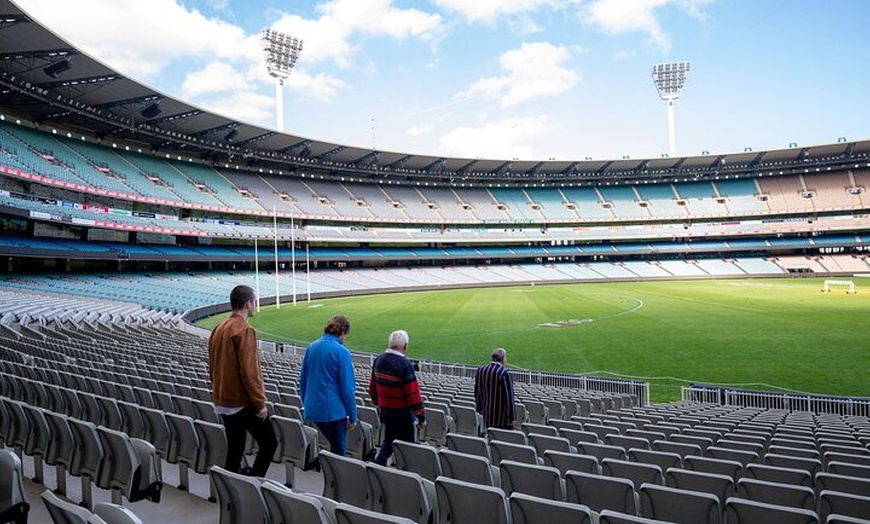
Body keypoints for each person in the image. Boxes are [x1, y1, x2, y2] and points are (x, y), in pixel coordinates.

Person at [208, 284, 277, 476]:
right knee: (269, 443)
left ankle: (232, 487)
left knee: (235, 449)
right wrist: (260, 403)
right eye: (254, 302)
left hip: (223, 399)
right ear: (248, 303)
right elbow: (249, 372)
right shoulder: (244, 330)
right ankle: (254, 483)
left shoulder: (219, 328)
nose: (255, 305)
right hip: (240, 401)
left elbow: (212, 365)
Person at [299, 314, 358, 456]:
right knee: (339, 452)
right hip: (332, 412)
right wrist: (353, 416)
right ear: (342, 333)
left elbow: (303, 381)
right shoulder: (341, 352)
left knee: (330, 448)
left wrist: (308, 404)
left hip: (313, 409)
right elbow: (347, 389)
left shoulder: (312, 347)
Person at [367, 330, 426, 466]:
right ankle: (408, 473)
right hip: (403, 416)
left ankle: (378, 465)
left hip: (386, 414)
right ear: (405, 346)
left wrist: (380, 405)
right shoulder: (405, 364)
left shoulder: (378, 360)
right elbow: (413, 394)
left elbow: (372, 389)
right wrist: (421, 417)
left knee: (389, 440)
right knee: (409, 447)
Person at [474, 347, 515, 430]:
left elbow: (477, 392)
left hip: (487, 416)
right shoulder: (504, 373)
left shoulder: (481, 370)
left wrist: (479, 409)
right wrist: (511, 417)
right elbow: (508, 397)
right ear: (503, 359)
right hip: (502, 420)